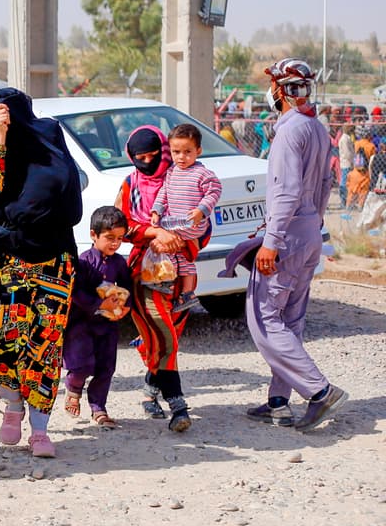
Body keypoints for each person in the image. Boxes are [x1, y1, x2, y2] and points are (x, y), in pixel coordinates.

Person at [0, 88, 82, 457]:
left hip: (54, 262)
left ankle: (39, 429)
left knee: (45, 346)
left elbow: (70, 200)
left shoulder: (50, 143)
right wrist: (0, 137)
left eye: (6, 115)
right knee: (2, 342)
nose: (0, 121)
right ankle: (13, 405)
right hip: (6, 263)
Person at [244, 58, 348, 431]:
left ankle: (320, 392)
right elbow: (324, 186)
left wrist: (272, 241)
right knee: (290, 319)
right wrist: (312, 225)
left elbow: (286, 192)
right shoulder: (317, 128)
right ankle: (278, 401)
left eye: (272, 85)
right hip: (308, 233)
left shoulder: (289, 132)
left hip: (286, 237)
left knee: (264, 319)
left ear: (281, 90)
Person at [117, 126, 198, 432]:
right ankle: (178, 405)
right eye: (142, 157)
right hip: (144, 274)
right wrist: (153, 233)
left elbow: (203, 225)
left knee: (169, 336)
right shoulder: (129, 185)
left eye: (155, 155)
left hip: (181, 270)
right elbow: (121, 225)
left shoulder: (182, 180)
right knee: (163, 335)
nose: (149, 162)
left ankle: (151, 391)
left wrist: (178, 239)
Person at [62, 206, 133, 428]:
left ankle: (98, 408)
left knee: (106, 368)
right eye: (109, 237)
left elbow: (128, 286)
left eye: (120, 239)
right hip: (81, 324)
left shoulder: (119, 263)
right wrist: (97, 304)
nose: (115, 243)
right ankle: (73, 388)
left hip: (107, 325)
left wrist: (126, 306)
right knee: (81, 365)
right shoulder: (83, 262)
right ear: (93, 234)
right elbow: (75, 292)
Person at [148, 123, 222, 313]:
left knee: (166, 248)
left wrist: (201, 210)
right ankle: (187, 293)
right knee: (184, 259)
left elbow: (214, 191)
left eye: (187, 152)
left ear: (198, 151)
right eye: (176, 152)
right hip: (175, 222)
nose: (181, 157)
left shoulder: (202, 173)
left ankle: (168, 281)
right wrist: (156, 210)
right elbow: (163, 193)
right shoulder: (171, 172)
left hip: (191, 224)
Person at [337, 124, 355, 206]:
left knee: (347, 182)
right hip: (346, 163)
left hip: (347, 163)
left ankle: (347, 200)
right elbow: (347, 153)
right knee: (344, 182)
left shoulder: (347, 138)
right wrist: (352, 161)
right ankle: (343, 200)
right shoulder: (344, 139)